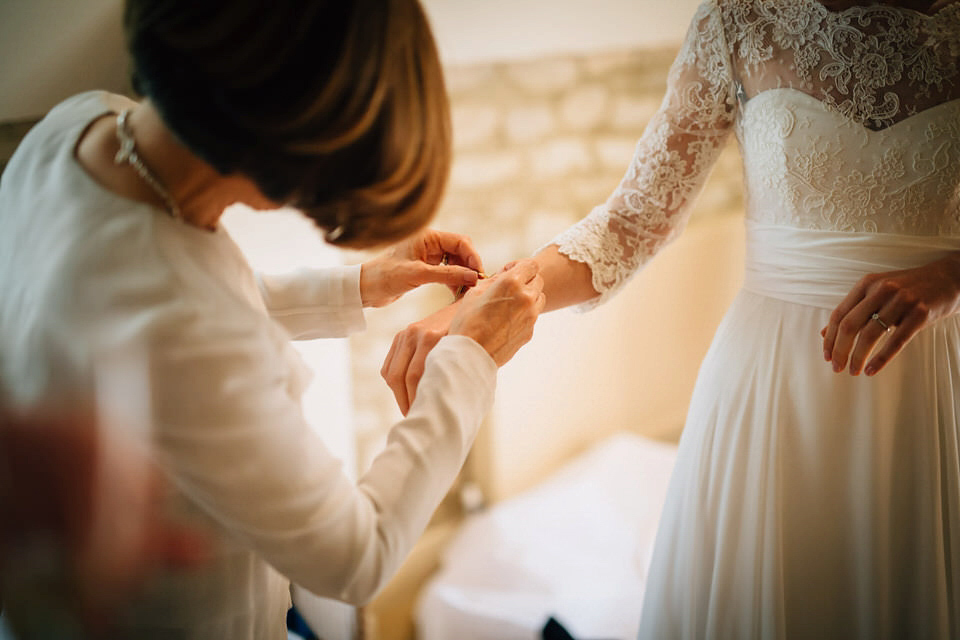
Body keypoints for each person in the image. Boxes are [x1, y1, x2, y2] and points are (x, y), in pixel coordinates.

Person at [383, 0, 960, 636]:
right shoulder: (739, 20)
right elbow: (632, 221)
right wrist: (473, 307)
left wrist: (949, 277)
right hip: (774, 387)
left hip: (934, 378)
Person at [0, 0, 545, 637]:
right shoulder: (182, 324)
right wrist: (472, 358)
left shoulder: (77, 125)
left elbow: (156, 306)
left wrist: (359, 285)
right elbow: (357, 557)